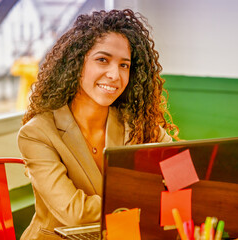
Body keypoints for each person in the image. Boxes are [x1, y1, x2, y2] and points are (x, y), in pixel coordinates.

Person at [18, 9, 179, 239]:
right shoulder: (37, 134)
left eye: (124, 65)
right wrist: (147, 200)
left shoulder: (136, 123)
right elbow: (75, 213)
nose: (115, 74)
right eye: (102, 60)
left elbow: (182, 176)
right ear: (75, 64)